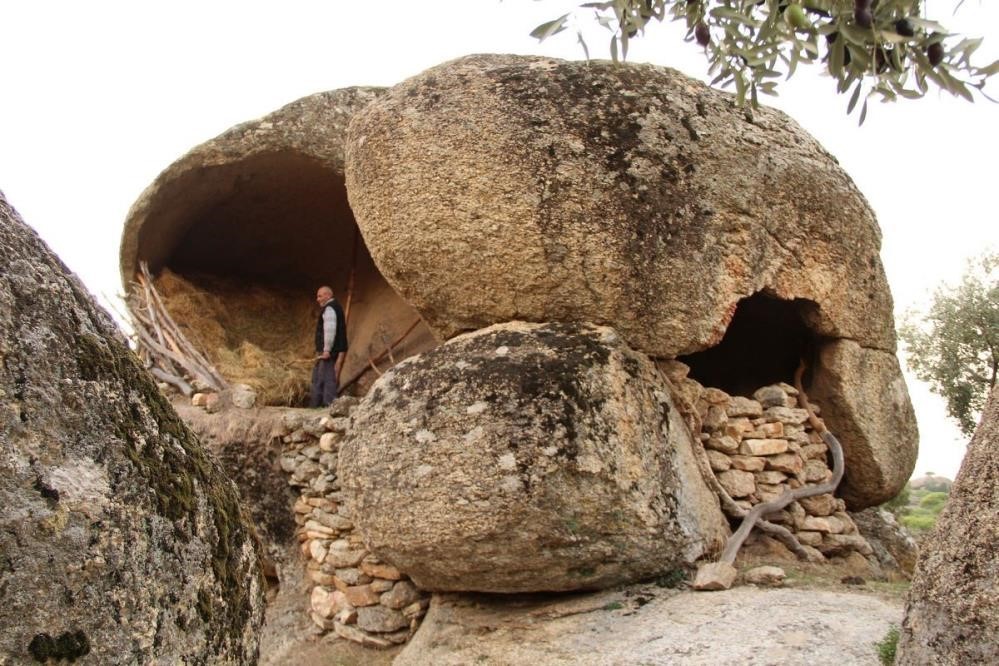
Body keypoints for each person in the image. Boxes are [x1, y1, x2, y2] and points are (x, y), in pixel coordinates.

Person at [310, 285, 348, 407]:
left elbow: (330, 330)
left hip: (329, 350)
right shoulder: (333, 307)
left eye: (320, 296)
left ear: (328, 295)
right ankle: (318, 404)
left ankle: (328, 404)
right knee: (320, 375)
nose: (318, 299)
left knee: (326, 377)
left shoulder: (330, 308)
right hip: (332, 349)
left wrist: (326, 350)